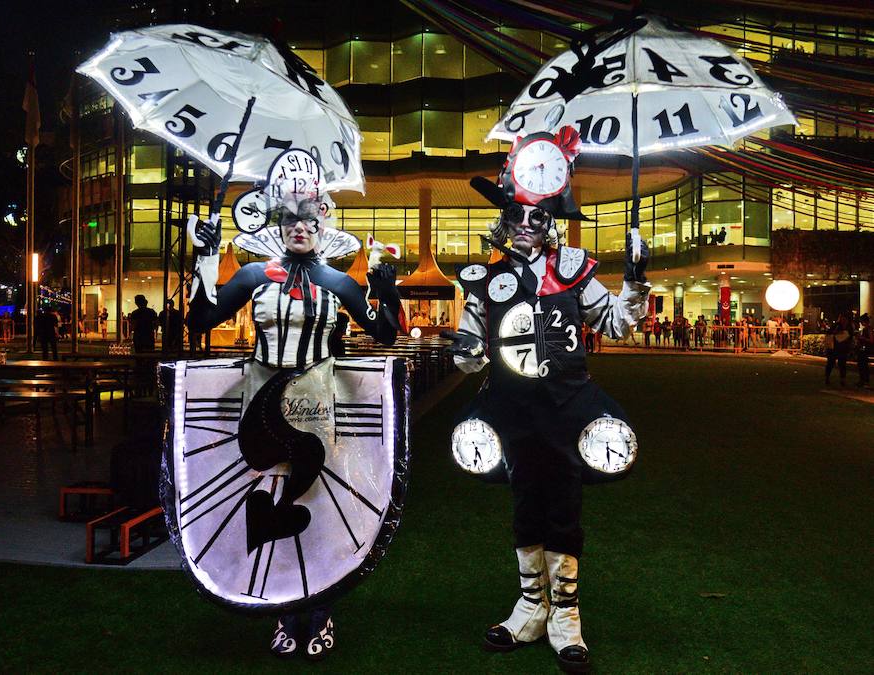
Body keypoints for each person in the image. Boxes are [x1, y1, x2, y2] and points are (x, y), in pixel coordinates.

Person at [444, 127, 650, 673]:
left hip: (567, 408)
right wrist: (466, 351)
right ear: (504, 218)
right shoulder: (483, 281)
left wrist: (635, 281)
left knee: (563, 507)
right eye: (517, 215)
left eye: (537, 218)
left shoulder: (574, 271)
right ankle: (530, 606)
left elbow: (618, 323)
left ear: (551, 221)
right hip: (510, 412)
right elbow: (469, 355)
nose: (527, 226)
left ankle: (565, 615)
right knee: (524, 503)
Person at [181, 167, 405, 662]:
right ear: (277, 222)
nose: (300, 227)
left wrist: (386, 289)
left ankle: (320, 611)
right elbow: (200, 321)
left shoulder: (337, 282)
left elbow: (385, 333)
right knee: (269, 499)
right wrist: (206, 257)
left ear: (323, 223)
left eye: (309, 219)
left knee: (318, 507)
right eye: (289, 218)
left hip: (318, 407)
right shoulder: (254, 276)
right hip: (261, 408)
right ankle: (283, 609)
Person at [824, 313, 854, 387]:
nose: (843, 320)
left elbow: (850, 336)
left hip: (843, 348)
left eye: (845, 319)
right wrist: (836, 332)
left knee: (842, 364)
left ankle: (842, 379)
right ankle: (827, 377)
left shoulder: (849, 327)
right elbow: (829, 333)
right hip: (834, 347)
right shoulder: (837, 325)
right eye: (842, 318)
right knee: (830, 363)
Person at [856, 314, 871, 389]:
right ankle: (863, 380)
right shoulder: (866, 329)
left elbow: (871, 340)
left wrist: (862, 338)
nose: (861, 323)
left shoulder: (868, 329)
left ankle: (864, 380)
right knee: (862, 365)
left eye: (861, 321)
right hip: (862, 349)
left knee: (863, 365)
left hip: (865, 349)